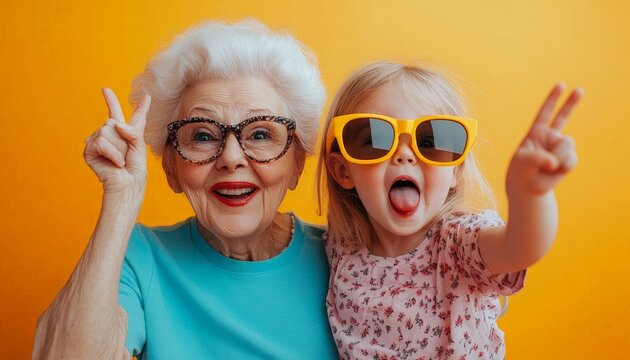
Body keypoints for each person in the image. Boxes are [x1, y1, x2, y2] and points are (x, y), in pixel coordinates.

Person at [33, 20, 338, 359]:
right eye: (203, 136)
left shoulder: (343, 256)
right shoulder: (141, 257)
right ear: (171, 169)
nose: (231, 158)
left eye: (261, 134)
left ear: (297, 163)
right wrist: (122, 198)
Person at [318, 61, 582, 359]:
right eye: (376, 139)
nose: (404, 154)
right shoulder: (342, 247)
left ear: (456, 170)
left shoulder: (459, 244)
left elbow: (521, 246)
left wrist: (531, 195)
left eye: (429, 142)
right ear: (343, 171)